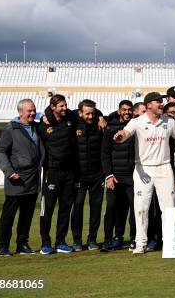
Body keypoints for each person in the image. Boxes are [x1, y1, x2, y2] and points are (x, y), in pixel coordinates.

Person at [113, 92, 175, 254]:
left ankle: (169, 242)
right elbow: (125, 133)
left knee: (168, 208)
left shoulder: (169, 122)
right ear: (149, 105)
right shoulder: (137, 122)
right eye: (158, 101)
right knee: (141, 207)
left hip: (164, 168)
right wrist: (120, 136)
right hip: (143, 168)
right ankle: (140, 243)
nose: (162, 104)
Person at [0, 99, 45, 256]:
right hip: (15, 178)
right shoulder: (11, 129)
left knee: (27, 214)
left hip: (32, 177)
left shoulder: (37, 127)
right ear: (20, 112)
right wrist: (9, 171)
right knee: (9, 215)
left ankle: (22, 244)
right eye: (29, 111)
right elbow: (1, 152)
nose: (32, 113)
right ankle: (3, 246)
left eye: (33, 110)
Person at [38, 94, 79, 254]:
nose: (64, 108)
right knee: (47, 208)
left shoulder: (70, 118)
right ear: (53, 107)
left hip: (69, 172)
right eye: (61, 106)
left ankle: (60, 241)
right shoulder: (42, 125)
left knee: (65, 208)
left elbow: (84, 111)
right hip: (52, 172)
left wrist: (102, 117)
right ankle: (45, 243)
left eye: (65, 105)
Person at [101, 100, 136, 252]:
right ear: (119, 111)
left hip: (133, 176)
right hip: (115, 177)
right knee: (112, 209)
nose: (127, 112)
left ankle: (135, 238)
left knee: (135, 210)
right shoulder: (110, 128)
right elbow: (105, 154)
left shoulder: (136, 126)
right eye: (124, 110)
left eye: (129, 110)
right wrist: (108, 175)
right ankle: (111, 239)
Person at [71, 100, 104, 252]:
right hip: (79, 174)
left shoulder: (99, 121)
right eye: (87, 113)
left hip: (97, 174)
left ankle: (92, 239)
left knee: (96, 208)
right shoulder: (73, 121)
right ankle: (77, 240)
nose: (90, 116)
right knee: (77, 207)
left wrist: (101, 116)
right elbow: (55, 113)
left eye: (93, 113)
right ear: (80, 113)